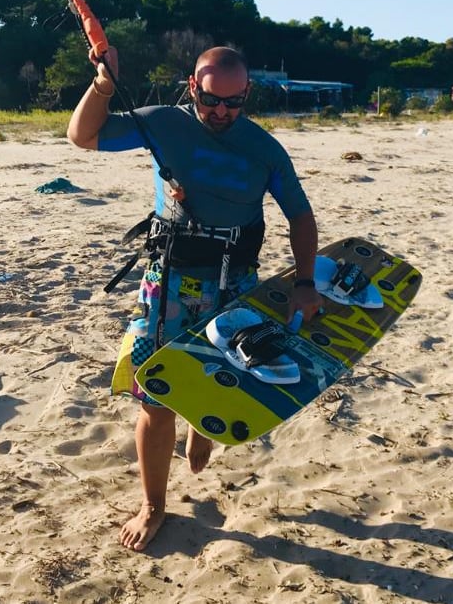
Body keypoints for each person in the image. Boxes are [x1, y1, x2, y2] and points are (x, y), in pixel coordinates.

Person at [67, 45, 321, 551]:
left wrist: (305, 282)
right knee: (156, 401)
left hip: (235, 286)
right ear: (192, 86)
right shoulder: (163, 122)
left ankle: (200, 429)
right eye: (211, 101)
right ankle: (154, 505)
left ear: (247, 95)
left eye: (235, 102)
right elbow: (83, 136)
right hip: (168, 288)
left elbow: (301, 216)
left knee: (219, 385)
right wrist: (103, 85)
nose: (222, 112)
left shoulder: (265, 149)